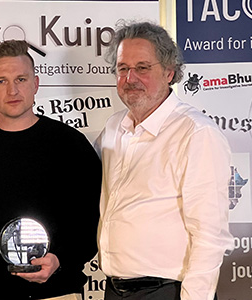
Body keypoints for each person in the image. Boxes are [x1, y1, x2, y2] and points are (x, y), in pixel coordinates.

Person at [0, 40, 101, 300]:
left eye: (21, 79)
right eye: (1, 81)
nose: (12, 90)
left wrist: (60, 259)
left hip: (55, 292)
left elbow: (92, 220)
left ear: (36, 84)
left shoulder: (70, 144)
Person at [95, 21, 234, 300]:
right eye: (123, 69)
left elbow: (209, 235)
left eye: (143, 68)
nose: (130, 78)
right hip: (114, 290)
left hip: (168, 291)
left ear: (169, 72)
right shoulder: (113, 129)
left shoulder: (196, 133)